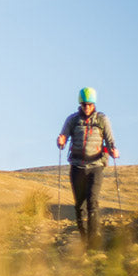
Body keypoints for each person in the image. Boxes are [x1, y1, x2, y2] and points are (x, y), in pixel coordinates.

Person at [57, 87, 118, 248]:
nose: (87, 107)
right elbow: (63, 136)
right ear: (80, 104)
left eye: (89, 104)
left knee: (93, 201)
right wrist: (61, 141)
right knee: (79, 205)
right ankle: (84, 238)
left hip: (96, 166)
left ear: (94, 104)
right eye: (84, 104)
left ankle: (93, 242)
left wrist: (113, 150)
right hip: (77, 167)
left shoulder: (102, 120)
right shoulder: (72, 120)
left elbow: (110, 140)